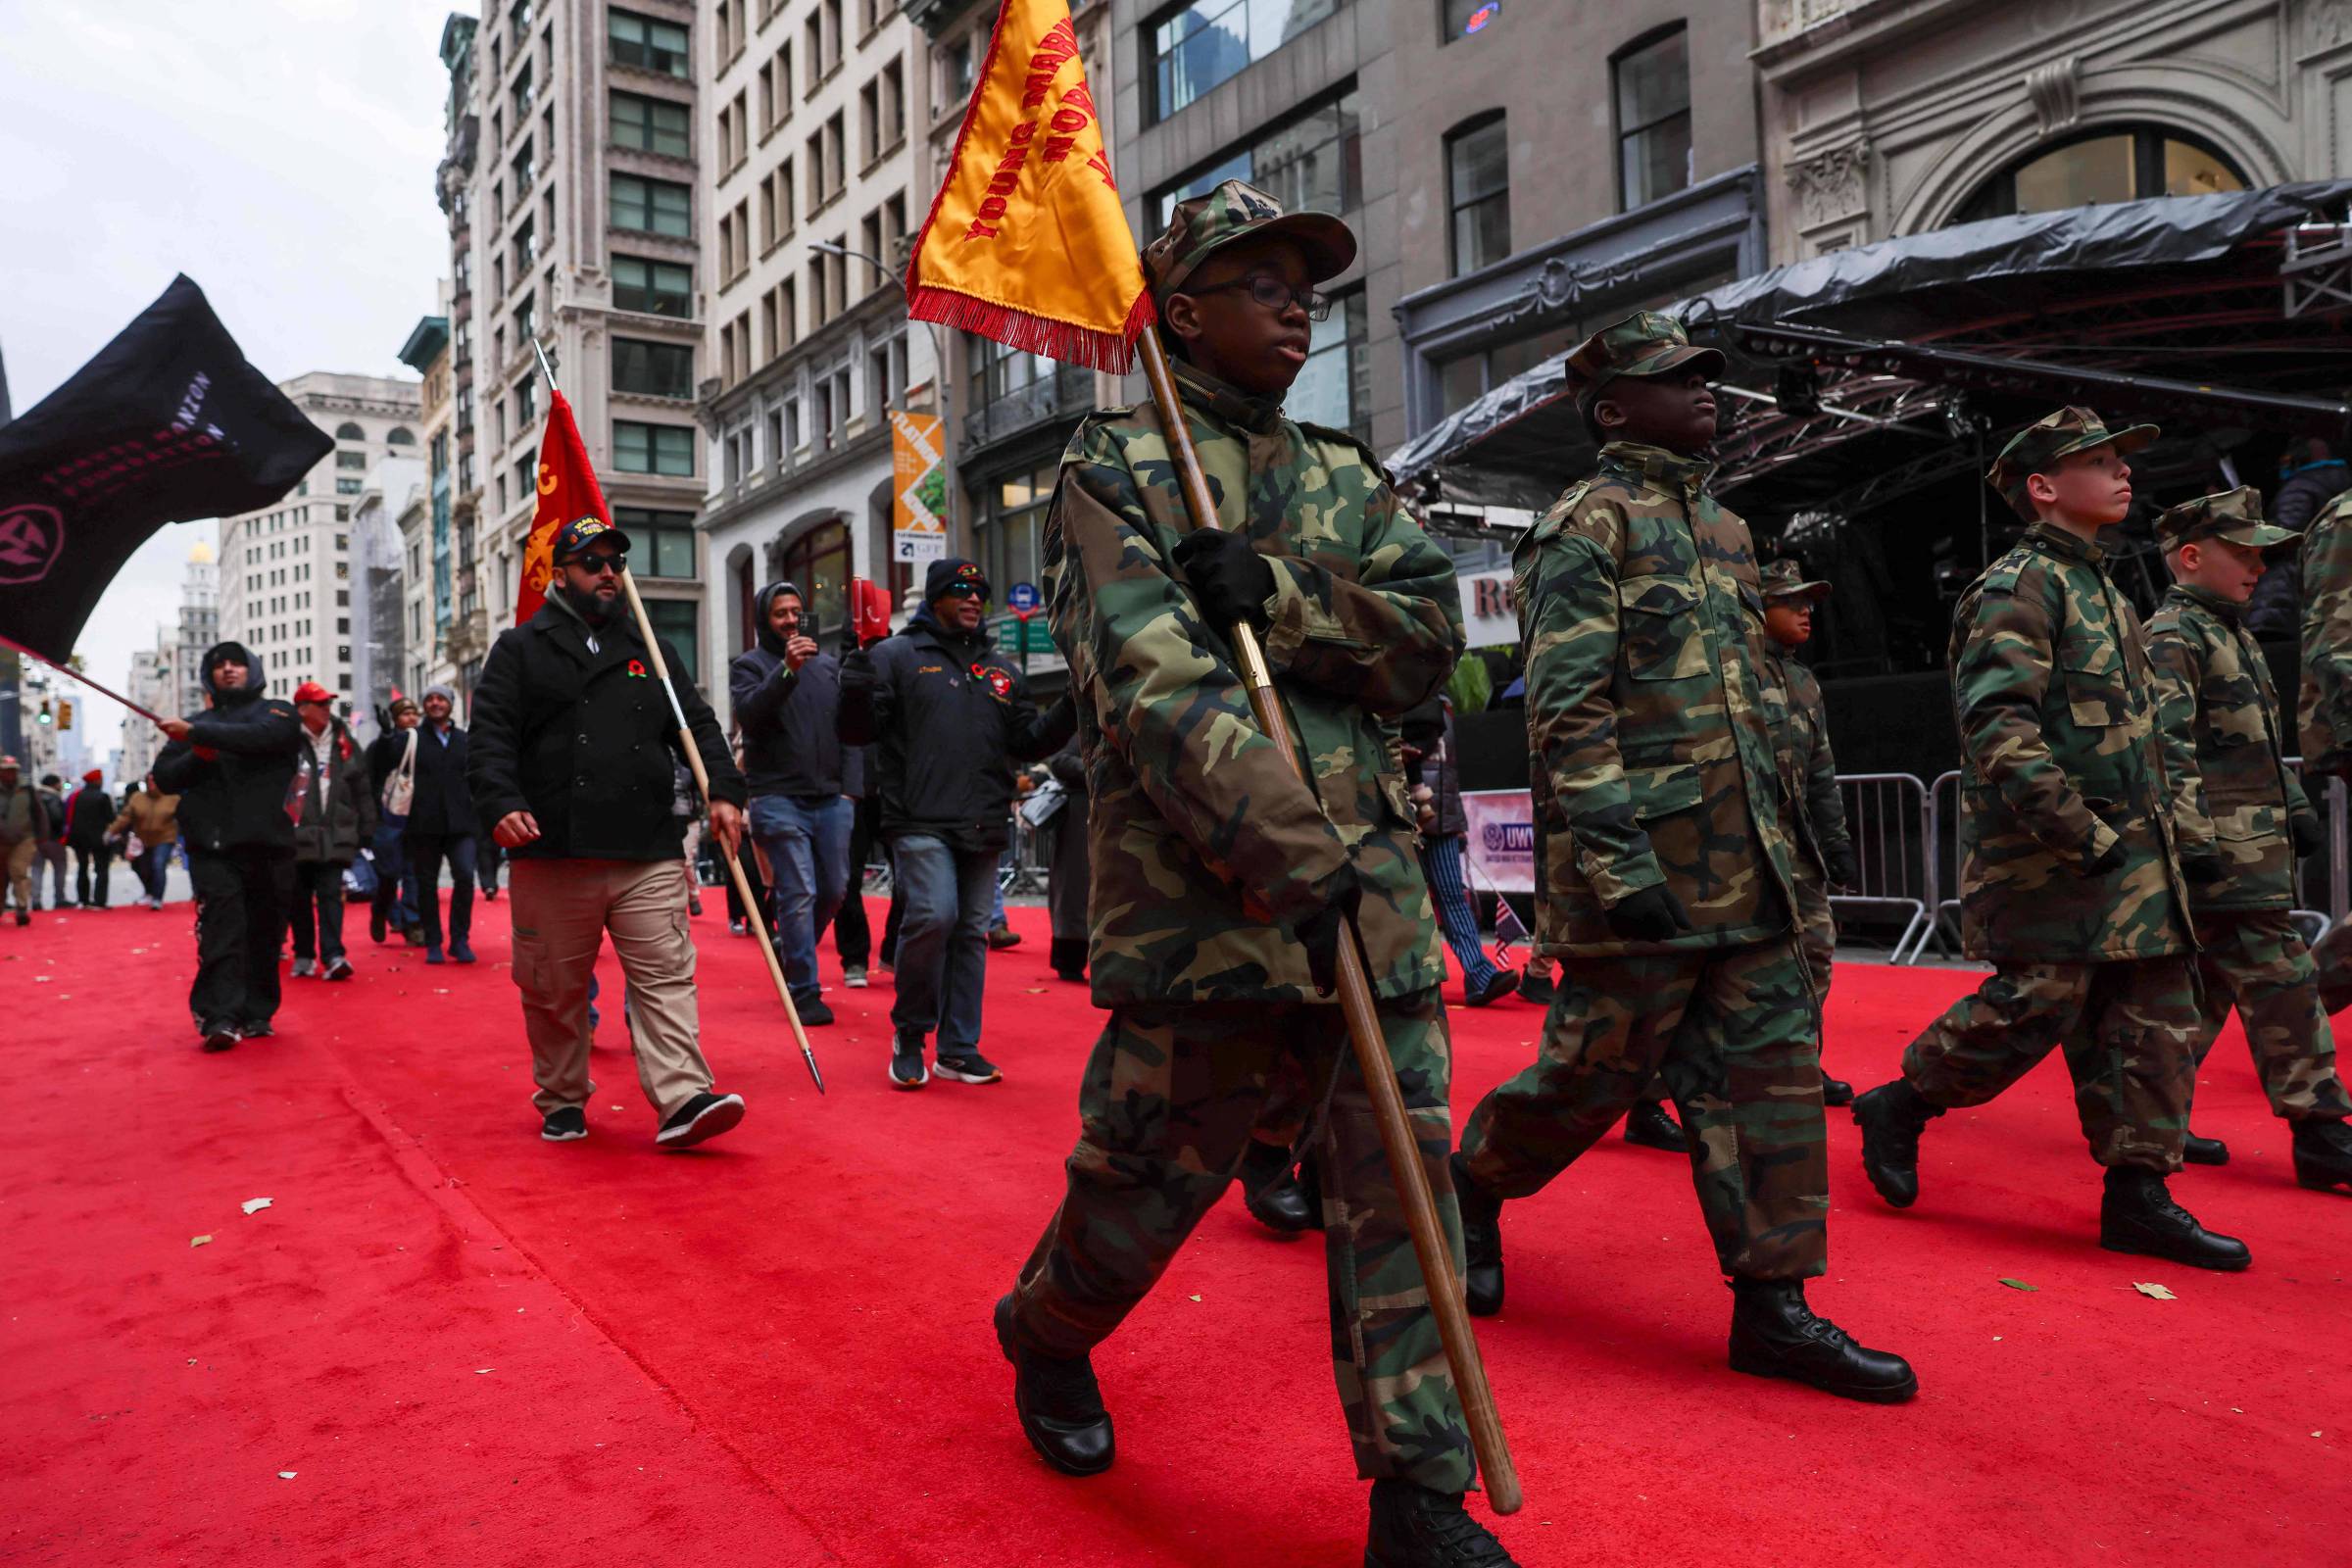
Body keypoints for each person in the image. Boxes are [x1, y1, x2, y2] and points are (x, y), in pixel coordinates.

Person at [996, 182, 1520, 1567]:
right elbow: (1153, 690)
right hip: (1212, 912)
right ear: (1180, 314)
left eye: (1310, 283)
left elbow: (1430, 645)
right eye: (1262, 280)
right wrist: (1294, 852)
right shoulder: (1114, 469)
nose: (1298, 304)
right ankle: (1045, 1329)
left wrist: (1280, 601)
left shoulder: (1348, 475)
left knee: (1401, 1189)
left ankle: (1421, 1499)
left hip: (1376, 910)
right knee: (1147, 1184)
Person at [1449, 312, 1912, 1406]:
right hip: (1644, 874)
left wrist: (1798, 839)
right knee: (1590, 1076)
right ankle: (1472, 1184)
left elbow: (1756, 702)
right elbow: (1567, 711)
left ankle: (1775, 1308)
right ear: (1614, 409)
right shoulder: (1582, 528)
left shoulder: (1730, 532)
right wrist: (1619, 864)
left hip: (1747, 867)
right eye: (1679, 379)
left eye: (1709, 377)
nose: (1708, 391)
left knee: (1770, 1083)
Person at [1851, 408, 2250, 1270]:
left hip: (2135, 857)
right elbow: (1997, 728)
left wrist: (2182, 839)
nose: (2123, 473)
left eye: (2120, 459)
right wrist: (2079, 831)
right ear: (2042, 487)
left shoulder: (2107, 588)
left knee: (2152, 1018)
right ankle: (1904, 1100)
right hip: (2051, 858)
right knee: (2038, 1004)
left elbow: (2145, 734)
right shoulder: (2018, 586)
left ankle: (2140, 1195)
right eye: (2099, 461)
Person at [466, 515, 751, 1149]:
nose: (606, 573)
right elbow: (488, 741)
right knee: (553, 990)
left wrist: (725, 793)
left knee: (666, 975)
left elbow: (698, 727)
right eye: (591, 562)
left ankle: (682, 1097)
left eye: (614, 563)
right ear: (560, 572)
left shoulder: (650, 644)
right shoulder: (519, 649)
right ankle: (563, 1097)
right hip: (553, 850)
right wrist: (501, 804)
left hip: (646, 845)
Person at [2143, 488, 2352, 1193]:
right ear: (2193, 557)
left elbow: (2256, 745)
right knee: (2283, 978)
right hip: (2224, 854)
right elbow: (2165, 747)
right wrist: (2194, 841)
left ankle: (2151, 1128)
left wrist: (2292, 804)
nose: (2261, 566)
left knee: (2194, 998)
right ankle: (2321, 1131)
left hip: (2248, 845)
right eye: (2245, 552)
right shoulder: (2172, 635)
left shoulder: (2228, 632)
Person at [838, 557, 1071, 1089]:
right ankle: (911, 1032)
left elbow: (1027, 742)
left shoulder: (1002, 670)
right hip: (917, 817)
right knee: (935, 915)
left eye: (980, 593)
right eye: (962, 590)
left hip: (983, 819)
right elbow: (856, 734)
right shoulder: (895, 656)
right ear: (936, 598)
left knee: (970, 932)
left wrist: (1074, 705)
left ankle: (958, 1048)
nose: (974, 599)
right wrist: (853, 683)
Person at [153, 641, 304, 1052]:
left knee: (266, 932)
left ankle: (257, 1013)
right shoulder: (194, 725)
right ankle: (219, 1016)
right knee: (222, 930)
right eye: (220, 665)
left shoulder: (277, 712)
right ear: (210, 675)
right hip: (214, 848)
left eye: (237, 663)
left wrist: (201, 736)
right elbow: (165, 777)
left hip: (270, 845)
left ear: (251, 669)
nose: (229, 670)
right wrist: (198, 754)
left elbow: (266, 737)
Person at [729, 579, 860, 1027]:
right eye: (779, 613)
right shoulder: (749, 665)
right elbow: (750, 714)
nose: (788, 619)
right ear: (765, 621)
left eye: (794, 611)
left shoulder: (827, 667)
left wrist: (849, 789)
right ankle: (804, 988)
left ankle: (791, 948)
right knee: (798, 892)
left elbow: (849, 729)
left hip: (830, 798)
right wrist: (785, 669)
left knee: (834, 889)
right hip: (778, 798)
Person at [1757, 559, 1860, 1105]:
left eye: (1809, 602)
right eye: (1791, 600)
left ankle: (1798, 1067)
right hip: (1743, 850)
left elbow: (1821, 771)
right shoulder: (1733, 673)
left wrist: (1836, 841)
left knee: (1815, 953)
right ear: (1757, 607)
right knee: (1721, 971)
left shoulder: (1803, 680)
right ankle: (1661, 1092)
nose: (1805, 610)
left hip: (1798, 849)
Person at [1403, 697, 1518, 1007]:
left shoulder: (1445, 705)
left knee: (1453, 895)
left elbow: (1448, 771)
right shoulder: (1395, 697)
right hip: (1400, 816)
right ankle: (1408, 981)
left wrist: (1456, 821)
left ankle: (1479, 976)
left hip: (1441, 819)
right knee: (1406, 902)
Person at [287, 681, 375, 981]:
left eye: (328, 703)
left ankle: (334, 955)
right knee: (298, 897)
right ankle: (303, 954)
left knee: (330, 894)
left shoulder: (344, 741)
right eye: (320, 704)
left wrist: (367, 827)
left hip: (336, 831)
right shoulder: (286, 741)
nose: (327, 709)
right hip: (297, 833)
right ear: (302, 710)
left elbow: (362, 786)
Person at [2245, 438, 2349, 641]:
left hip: (2284, 596)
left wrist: (2248, 531)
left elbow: (2284, 534)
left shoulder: (2302, 485)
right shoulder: (2345, 480)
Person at [406, 683, 478, 965]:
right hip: (423, 824)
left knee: (464, 877)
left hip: (462, 823)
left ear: (450, 704)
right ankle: (433, 940)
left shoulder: (466, 740)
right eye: (430, 699)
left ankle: (460, 939)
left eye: (441, 698)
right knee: (426, 884)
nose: (435, 703)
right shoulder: (411, 739)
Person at [365, 697, 425, 945]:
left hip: (416, 819)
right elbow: (373, 771)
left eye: (414, 713)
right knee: (389, 874)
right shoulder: (382, 744)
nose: (411, 718)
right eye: (405, 713)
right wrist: (387, 736)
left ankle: (412, 922)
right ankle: (383, 911)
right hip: (387, 819)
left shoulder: (423, 742)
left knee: (413, 874)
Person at [110, 774, 179, 910]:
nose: (152, 783)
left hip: (165, 837)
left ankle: (157, 898)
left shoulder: (172, 798)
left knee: (158, 865)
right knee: (143, 868)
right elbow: (125, 817)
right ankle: (149, 892)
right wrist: (112, 831)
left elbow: (183, 816)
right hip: (143, 839)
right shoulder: (138, 798)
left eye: (155, 780)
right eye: (149, 780)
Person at [0, 756, 49, 924]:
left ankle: (21, 907)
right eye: (6, 771)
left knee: (18, 872)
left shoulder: (27, 789)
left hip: (23, 838)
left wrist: (42, 836)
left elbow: (39, 813)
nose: (9, 774)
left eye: (12, 770)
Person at [64, 769, 116, 909]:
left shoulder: (75, 797)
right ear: (97, 781)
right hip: (98, 838)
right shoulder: (102, 797)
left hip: (79, 839)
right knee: (101, 869)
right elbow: (111, 818)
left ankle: (83, 899)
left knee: (82, 867)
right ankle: (100, 900)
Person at [33, 773, 70, 910]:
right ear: (54, 784)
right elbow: (57, 818)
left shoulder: (34, 797)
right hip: (53, 839)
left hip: (36, 840)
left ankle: (36, 900)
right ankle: (59, 898)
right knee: (60, 868)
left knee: (36, 870)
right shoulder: (53, 798)